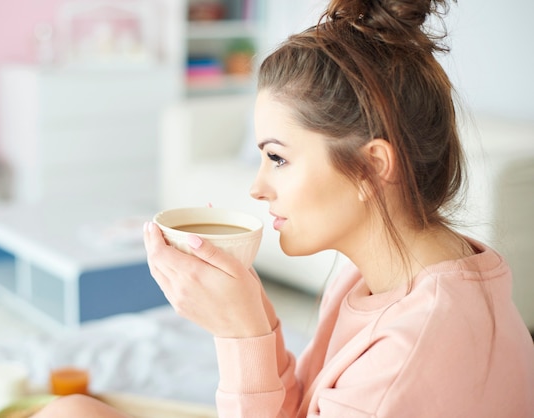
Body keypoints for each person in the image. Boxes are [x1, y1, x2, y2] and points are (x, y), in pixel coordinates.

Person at [35, 0, 534, 416]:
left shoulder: (407, 355)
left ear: (373, 165)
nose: (257, 188)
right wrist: (250, 317)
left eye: (277, 157)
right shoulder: (381, 276)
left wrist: (239, 332)